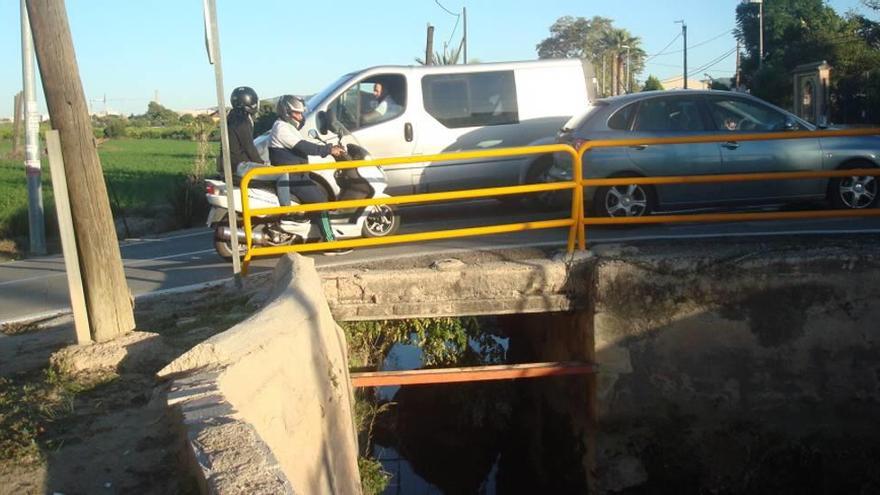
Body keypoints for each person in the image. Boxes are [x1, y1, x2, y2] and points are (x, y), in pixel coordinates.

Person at [268, 95, 347, 247]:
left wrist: (328, 147)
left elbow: (305, 144)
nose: (300, 117)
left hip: (298, 174)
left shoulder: (287, 127)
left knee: (320, 197)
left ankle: (310, 236)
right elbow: (304, 147)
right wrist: (329, 150)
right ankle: (330, 241)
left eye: (301, 113)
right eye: (297, 113)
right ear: (286, 112)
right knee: (321, 202)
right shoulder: (281, 128)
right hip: (292, 176)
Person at [224, 86, 292, 207]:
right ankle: (287, 211)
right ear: (250, 101)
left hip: (232, 166)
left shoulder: (231, 117)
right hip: (241, 166)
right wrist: (261, 163)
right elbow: (249, 147)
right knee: (282, 173)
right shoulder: (242, 121)